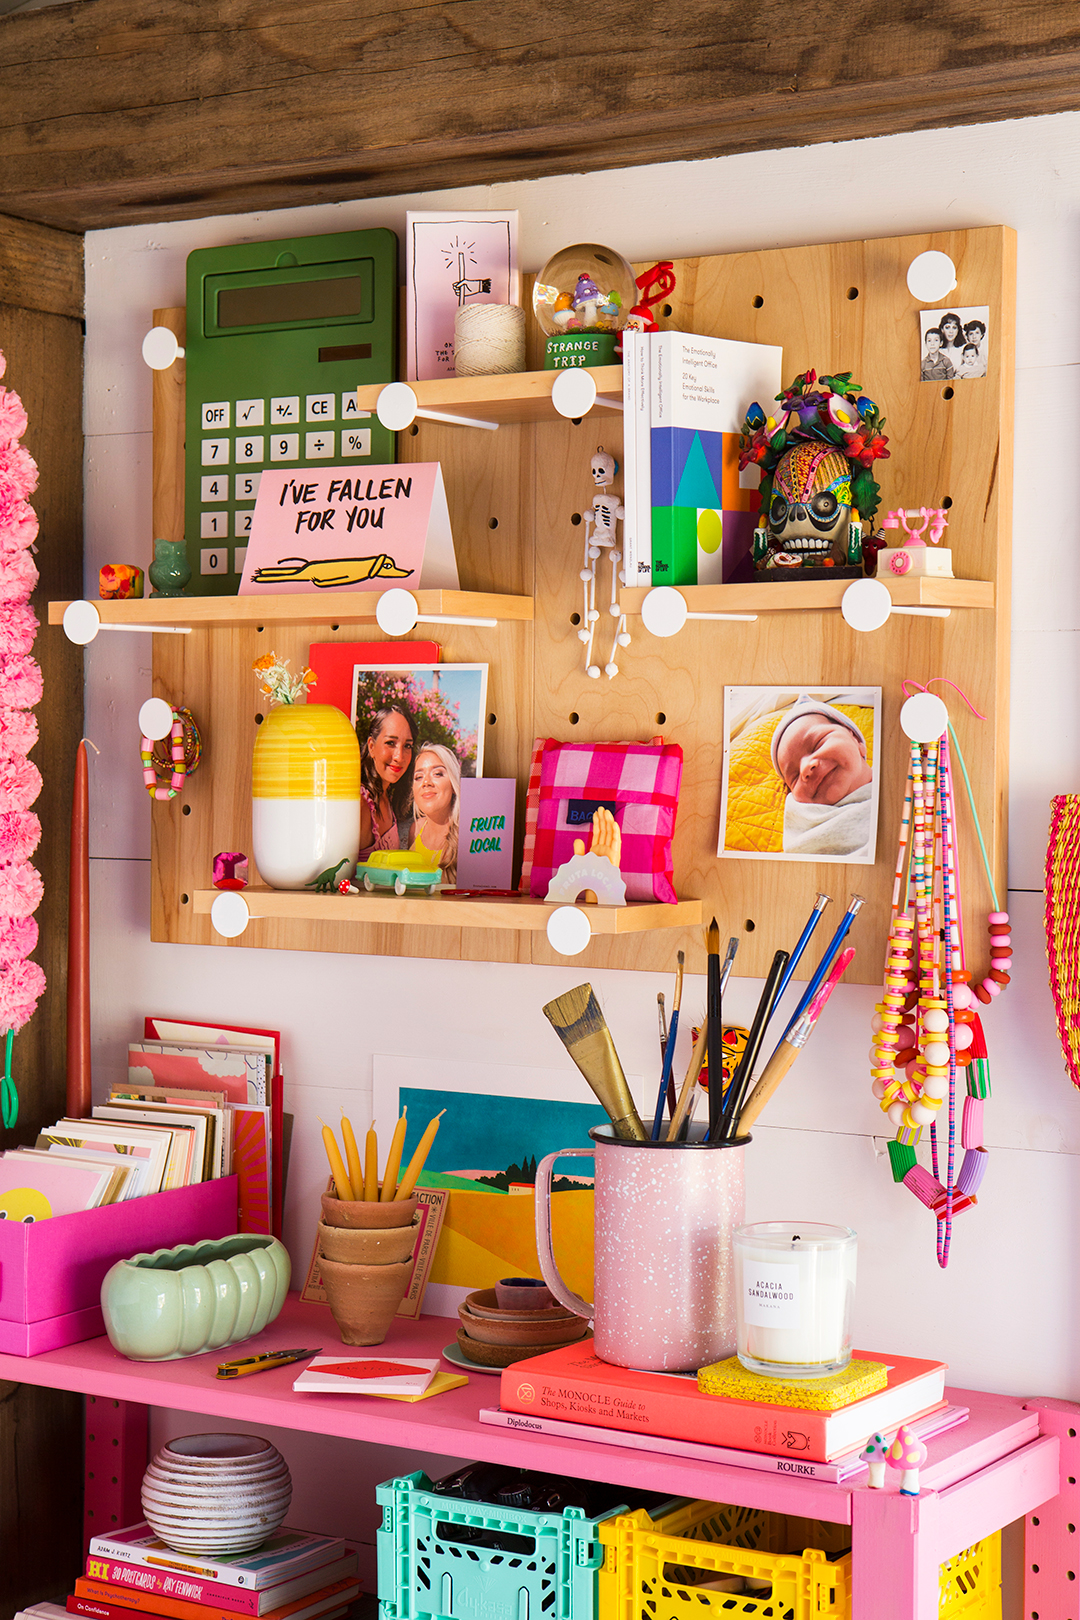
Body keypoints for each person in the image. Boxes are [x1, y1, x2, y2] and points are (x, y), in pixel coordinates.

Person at [770, 699, 874, 858]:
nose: (805, 768)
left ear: (856, 740)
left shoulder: (905, 780)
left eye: (817, 744)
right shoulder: (804, 833)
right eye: (795, 777)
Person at [358, 705, 417, 859]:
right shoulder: (361, 804)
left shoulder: (387, 796)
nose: (399, 757)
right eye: (391, 743)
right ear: (371, 746)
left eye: (407, 746)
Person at [410, 742, 461, 884]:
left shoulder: (467, 835)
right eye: (418, 777)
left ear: (453, 783)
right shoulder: (414, 830)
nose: (426, 782)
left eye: (437, 774)